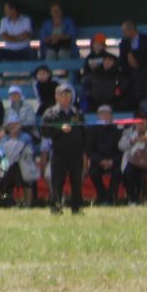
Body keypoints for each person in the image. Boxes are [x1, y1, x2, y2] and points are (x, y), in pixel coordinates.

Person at [39, 86, 86, 214]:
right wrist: (59, 129)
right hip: (59, 153)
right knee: (57, 182)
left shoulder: (76, 112)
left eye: (68, 95)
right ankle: (56, 207)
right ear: (57, 96)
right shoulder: (50, 113)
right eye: (63, 94)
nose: (66, 97)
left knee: (76, 182)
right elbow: (44, 131)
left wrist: (84, 152)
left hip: (75, 153)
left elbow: (83, 132)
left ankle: (77, 207)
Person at [86, 106, 124, 206]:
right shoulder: (92, 130)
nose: (105, 116)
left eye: (108, 114)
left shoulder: (117, 130)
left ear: (111, 116)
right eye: (103, 114)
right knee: (93, 172)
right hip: (98, 160)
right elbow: (89, 150)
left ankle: (111, 198)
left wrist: (112, 161)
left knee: (118, 173)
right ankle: (103, 196)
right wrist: (100, 161)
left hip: (114, 160)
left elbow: (121, 150)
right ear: (98, 116)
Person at [119, 117, 147, 205]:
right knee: (127, 173)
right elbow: (120, 146)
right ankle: (132, 199)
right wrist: (132, 141)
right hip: (134, 161)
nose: (141, 124)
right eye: (139, 123)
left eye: (143, 122)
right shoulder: (128, 132)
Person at [121, 20, 147, 99]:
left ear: (132, 29)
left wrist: (139, 66)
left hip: (146, 74)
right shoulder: (124, 43)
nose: (123, 33)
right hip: (130, 75)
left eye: (124, 31)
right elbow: (122, 61)